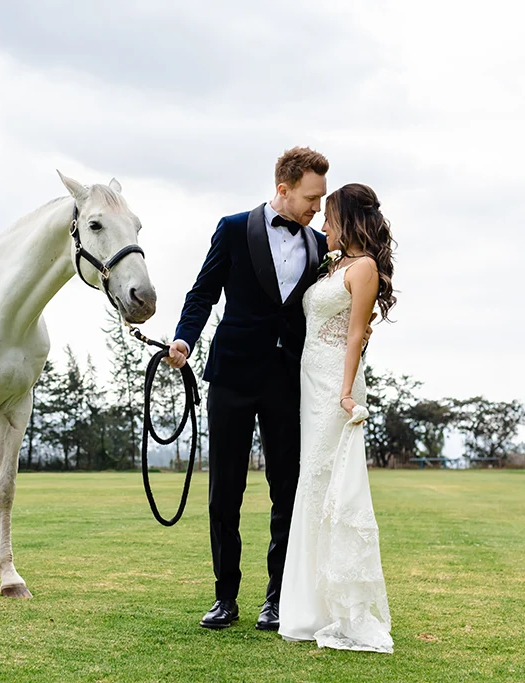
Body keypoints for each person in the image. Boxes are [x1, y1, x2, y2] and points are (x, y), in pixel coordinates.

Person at [166, 147, 371, 631]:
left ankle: (277, 599)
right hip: (232, 377)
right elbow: (203, 292)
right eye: (311, 198)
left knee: (287, 491)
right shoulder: (233, 228)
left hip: (290, 381)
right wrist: (183, 338)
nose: (317, 210)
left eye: (321, 201)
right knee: (224, 493)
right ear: (284, 188)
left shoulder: (324, 248)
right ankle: (225, 597)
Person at [278, 182, 396, 653]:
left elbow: (355, 336)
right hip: (310, 383)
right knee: (312, 484)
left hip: (335, 387)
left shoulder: (363, 267)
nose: (322, 225)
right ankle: (308, 605)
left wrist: (346, 392)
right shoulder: (336, 265)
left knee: (324, 487)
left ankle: (327, 611)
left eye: (329, 218)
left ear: (346, 220)